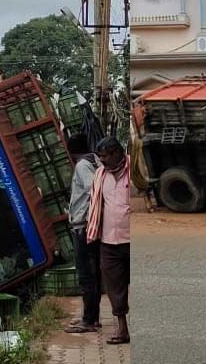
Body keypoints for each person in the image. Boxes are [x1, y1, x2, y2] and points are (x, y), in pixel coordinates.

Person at [87, 137, 130, 345]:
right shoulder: (100, 175)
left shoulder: (134, 168)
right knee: (115, 287)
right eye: (100, 156)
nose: (102, 160)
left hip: (131, 239)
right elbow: (96, 204)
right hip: (108, 241)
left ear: (117, 153)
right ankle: (122, 329)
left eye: (105, 156)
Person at [63, 133, 101, 334]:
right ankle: (92, 318)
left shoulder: (82, 166)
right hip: (88, 224)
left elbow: (92, 189)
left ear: (71, 151)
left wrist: (85, 214)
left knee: (86, 275)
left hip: (83, 226)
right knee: (93, 274)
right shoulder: (94, 160)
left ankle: (89, 320)